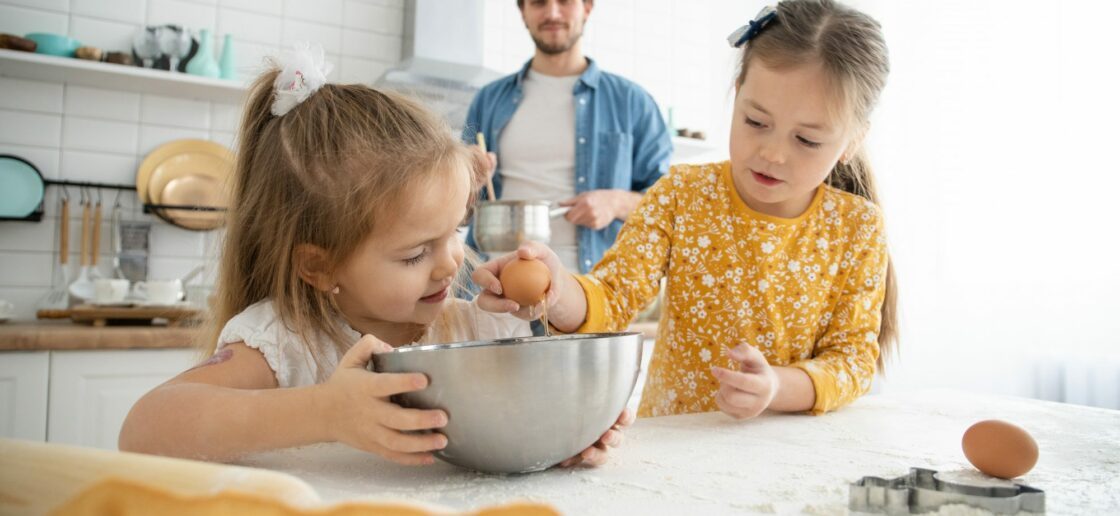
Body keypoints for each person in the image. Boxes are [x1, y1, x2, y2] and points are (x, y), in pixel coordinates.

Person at [119, 44, 630, 466]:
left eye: (455, 232)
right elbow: (145, 428)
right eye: (414, 254)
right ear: (319, 266)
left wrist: (565, 435)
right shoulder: (288, 341)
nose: (453, 262)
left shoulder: (475, 332)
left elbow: (520, 427)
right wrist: (324, 411)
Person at [474, 0, 898, 419]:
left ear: (853, 140)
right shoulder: (682, 194)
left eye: (806, 140)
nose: (773, 154)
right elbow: (615, 296)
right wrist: (556, 288)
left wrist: (776, 388)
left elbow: (853, 361)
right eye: (755, 121)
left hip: (789, 454)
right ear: (737, 96)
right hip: (675, 446)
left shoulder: (857, 226)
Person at [464, 0, 672, 274]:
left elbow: (668, 203)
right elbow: (460, 208)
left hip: (591, 290)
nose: (552, 13)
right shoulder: (488, 99)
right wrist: (469, 178)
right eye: (538, 3)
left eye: (564, 1)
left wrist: (616, 202)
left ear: (587, 7)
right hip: (494, 282)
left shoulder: (632, 102)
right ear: (523, 12)